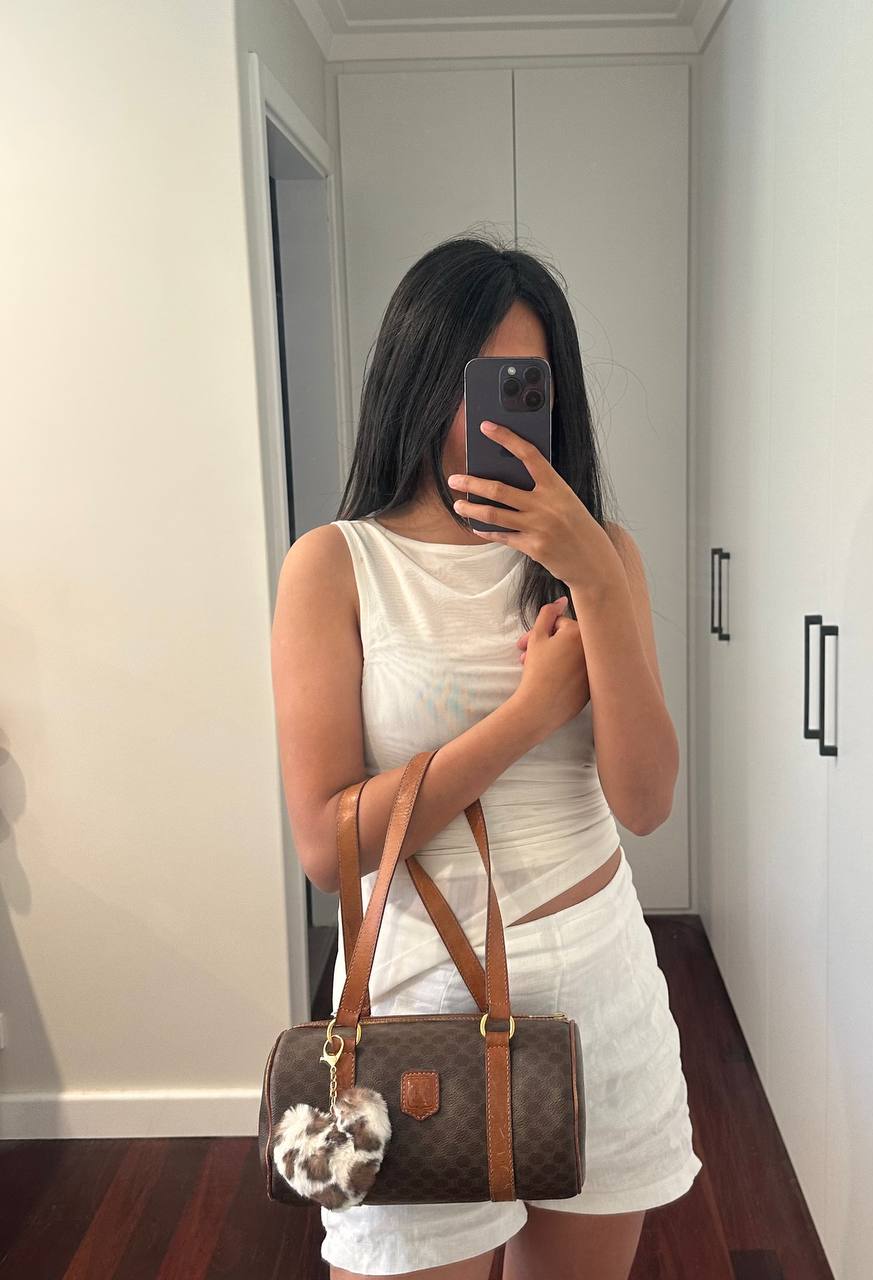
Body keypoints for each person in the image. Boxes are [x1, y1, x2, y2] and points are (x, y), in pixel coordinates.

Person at [270, 232, 703, 1280]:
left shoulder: (603, 556)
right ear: (419, 381)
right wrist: (527, 712)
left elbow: (645, 799)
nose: (499, 415)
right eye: (479, 381)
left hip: (600, 985)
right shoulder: (337, 565)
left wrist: (593, 576)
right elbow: (328, 848)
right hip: (422, 999)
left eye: (528, 385)